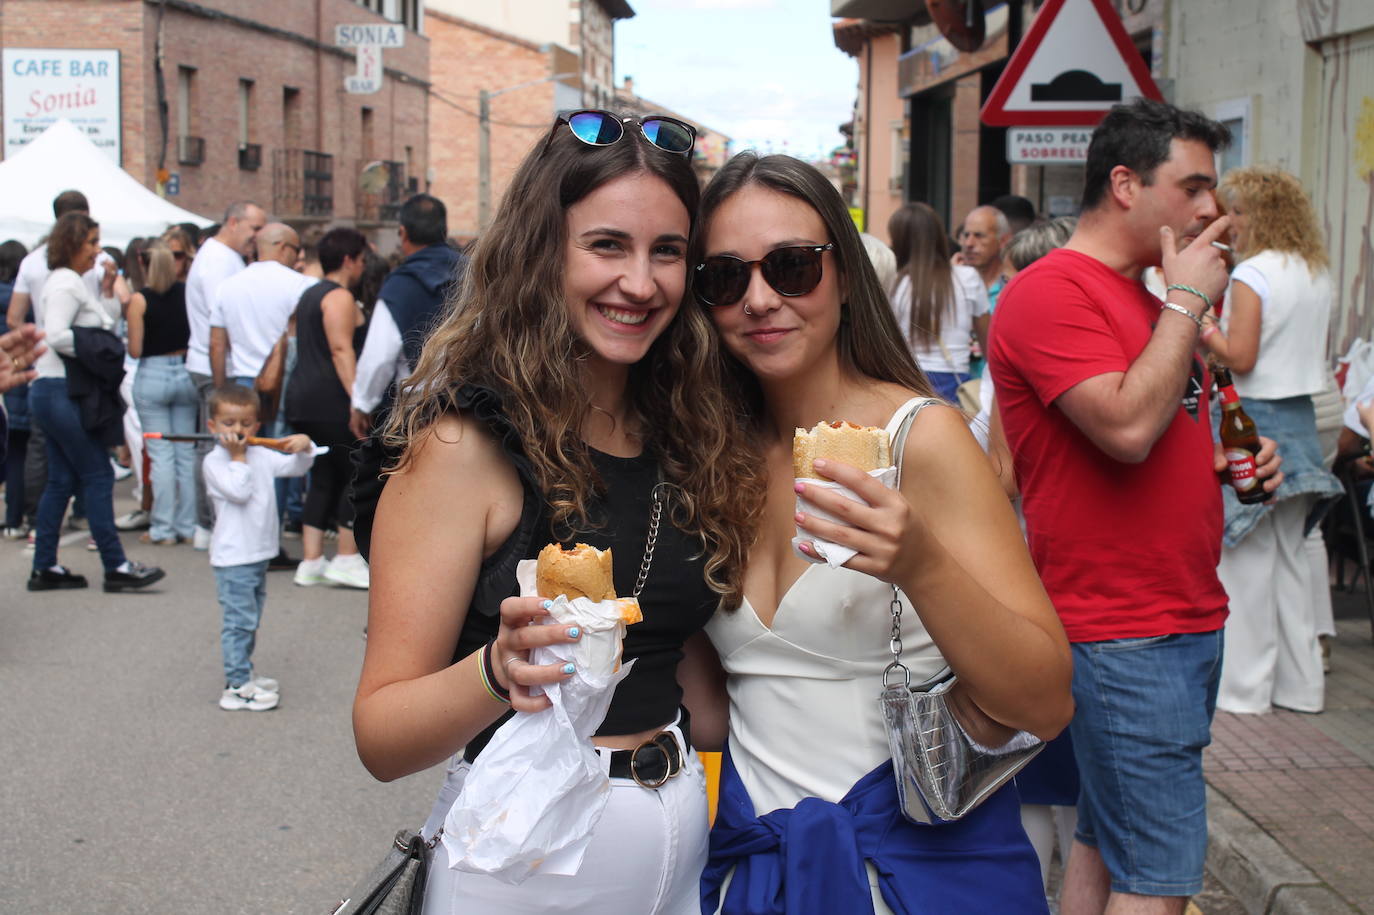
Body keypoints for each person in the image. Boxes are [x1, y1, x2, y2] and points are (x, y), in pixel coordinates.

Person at [351, 109, 756, 913]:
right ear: (542, 250)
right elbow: (381, 735)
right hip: (524, 865)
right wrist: (496, 670)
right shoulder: (466, 444)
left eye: (667, 251)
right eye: (607, 244)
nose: (640, 284)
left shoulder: (689, 430)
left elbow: (695, 679)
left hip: (679, 844)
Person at [692, 153, 1072, 913]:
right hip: (759, 876)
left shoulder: (920, 439)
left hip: (922, 877)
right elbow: (716, 703)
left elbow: (1047, 697)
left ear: (842, 273)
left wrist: (921, 562)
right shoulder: (709, 455)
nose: (760, 299)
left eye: (792, 267)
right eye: (727, 277)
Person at [989, 99, 1283, 915]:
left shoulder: (1147, 296)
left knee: (1105, 843)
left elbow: (1166, 429)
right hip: (1124, 627)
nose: (1209, 210)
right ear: (1125, 183)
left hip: (1176, 615)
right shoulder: (1052, 292)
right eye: (1192, 187)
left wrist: (1230, 463)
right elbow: (1122, 425)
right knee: (1159, 880)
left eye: (1211, 190)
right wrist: (1187, 300)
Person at [1198, 165, 1341, 715]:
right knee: (1290, 560)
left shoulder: (1253, 274)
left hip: (1251, 418)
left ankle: (1245, 689)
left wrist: (1203, 320)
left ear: (1255, 214)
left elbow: (1242, 356)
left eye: (1234, 210)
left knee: (1245, 559)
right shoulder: (1315, 270)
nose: (1226, 220)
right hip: (1303, 418)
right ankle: (1301, 688)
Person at [27, 212, 165, 593]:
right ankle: (115, 565)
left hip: (55, 389)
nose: (97, 250)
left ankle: (46, 567)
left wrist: (105, 291)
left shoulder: (71, 282)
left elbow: (95, 322)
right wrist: (96, 352)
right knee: (98, 475)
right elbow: (57, 334)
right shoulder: (65, 284)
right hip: (63, 390)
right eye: (91, 242)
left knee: (63, 480)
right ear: (72, 243)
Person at [202, 383, 315, 711]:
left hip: (258, 553)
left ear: (257, 425)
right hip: (233, 557)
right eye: (228, 423)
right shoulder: (215, 462)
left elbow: (296, 467)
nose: (237, 430)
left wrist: (305, 447)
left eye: (245, 423)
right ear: (213, 426)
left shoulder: (262, 454)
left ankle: (244, 673)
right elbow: (238, 490)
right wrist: (238, 458)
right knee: (239, 622)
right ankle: (237, 685)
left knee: (249, 619)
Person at [284, 227, 370, 590]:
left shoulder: (309, 294)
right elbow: (340, 349)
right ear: (349, 260)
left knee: (322, 477)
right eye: (362, 259)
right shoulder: (338, 297)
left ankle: (311, 560)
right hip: (331, 400)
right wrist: (358, 400)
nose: (364, 267)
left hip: (304, 397)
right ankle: (347, 558)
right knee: (353, 474)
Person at [347, 194, 465, 440]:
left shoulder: (400, 285)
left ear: (403, 233)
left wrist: (362, 405)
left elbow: (379, 356)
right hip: (476, 406)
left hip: (420, 413)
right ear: (444, 230)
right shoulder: (474, 273)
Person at [185, 200, 267, 547]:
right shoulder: (219, 261)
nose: (257, 238)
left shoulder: (222, 257)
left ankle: (211, 524)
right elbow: (221, 327)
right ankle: (209, 524)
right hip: (215, 368)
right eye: (254, 229)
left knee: (221, 443)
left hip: (215, 365)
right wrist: (222, 384)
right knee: (217, 445)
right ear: (233, 223)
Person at [127, 238, 196, 545]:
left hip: (153, 372)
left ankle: (163, 527)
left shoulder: (140, 300)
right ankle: (187, 524)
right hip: (184, 370)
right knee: (185, 452)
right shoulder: (187, 295)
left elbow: (135, 348)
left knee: (161, 455)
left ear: (144, 263)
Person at [887, 201, 991, 403]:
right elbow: (990, 345)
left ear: (899, 240)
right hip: (955, 384)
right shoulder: (967, 278)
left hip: (905, 381)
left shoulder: (892, 282)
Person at [209, 223, 312, 389]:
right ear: (283, 247)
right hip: (288, 379)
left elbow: (217, 344)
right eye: (296, 249)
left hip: (244, 379)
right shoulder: (303, 284)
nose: (297, 256)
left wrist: (220, 391)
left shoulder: (226, 286)